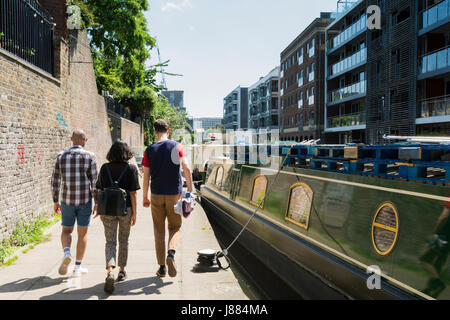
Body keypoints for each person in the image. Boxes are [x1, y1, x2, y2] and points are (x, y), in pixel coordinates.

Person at [142, 119, 193, 278]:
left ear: (155, 131)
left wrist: (145, 196)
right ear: (168, 130)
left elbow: (146, 176)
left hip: (156, 194)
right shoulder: (176, 146)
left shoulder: (149, 150)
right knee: (175, 227)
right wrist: (190, 190)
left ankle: (162, 267)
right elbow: (186, 168)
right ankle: (171, 254)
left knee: (158, 230)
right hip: (174, 195)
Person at [94, 140, 140, 294]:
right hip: (125, 210)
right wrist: (135, 213)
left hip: (107, 209)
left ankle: (110, 271)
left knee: (110, 241)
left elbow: (99, 191)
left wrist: (100, 211)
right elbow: (133, 193)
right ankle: (121, 271)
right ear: (127, 152)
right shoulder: (131, 169)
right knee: (124, 240)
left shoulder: (104, 167)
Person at [51, 129, 97, 277]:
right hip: (85, 200)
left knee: (66, 230)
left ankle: (66, 252)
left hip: (67, 200)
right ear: (84, 140)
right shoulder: (90, 156)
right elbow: (95, 182)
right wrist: (97, 202)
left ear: (71, 139)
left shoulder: (61, 156)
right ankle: (77, 267)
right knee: (82, 233)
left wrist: (55, 201)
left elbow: (55, 181)